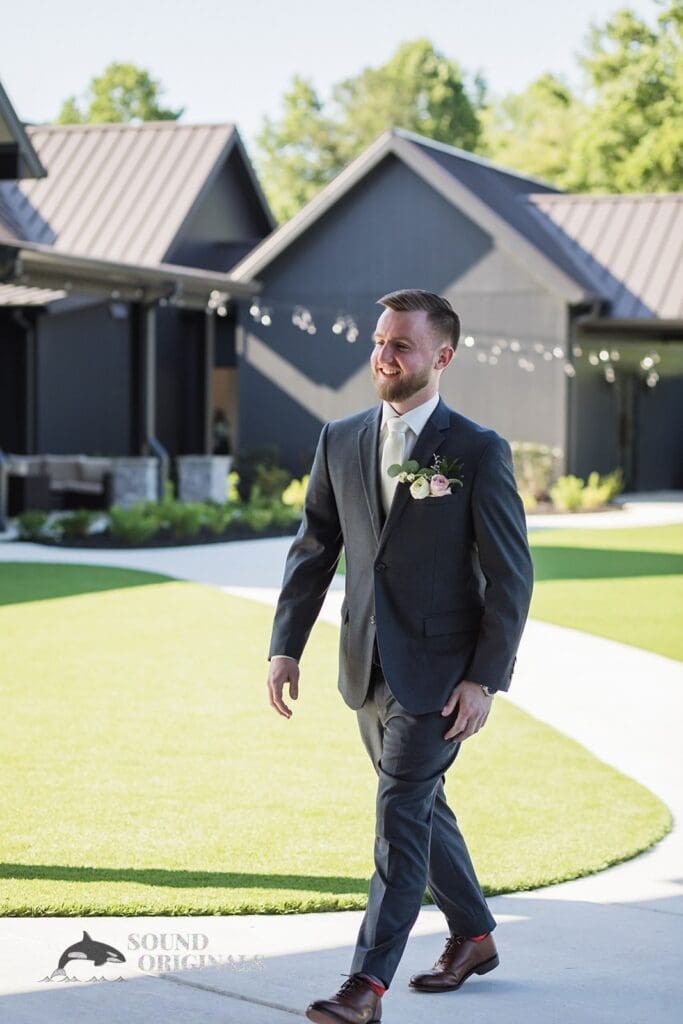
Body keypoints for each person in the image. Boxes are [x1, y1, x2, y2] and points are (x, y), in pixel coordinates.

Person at [266, 289, 534, 1024]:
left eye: (401, 345)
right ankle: (474, 935)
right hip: (364, 666)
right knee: (420, 810)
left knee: (396, 818)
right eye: (380, 342)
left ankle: (366, 985)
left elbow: (511, 576)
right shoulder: (339, 438)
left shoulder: (476, 450)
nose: (383, 356)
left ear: (441, 357)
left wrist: (484, 678)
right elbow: (314, 548)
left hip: (442, 676)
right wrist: (285, 646)